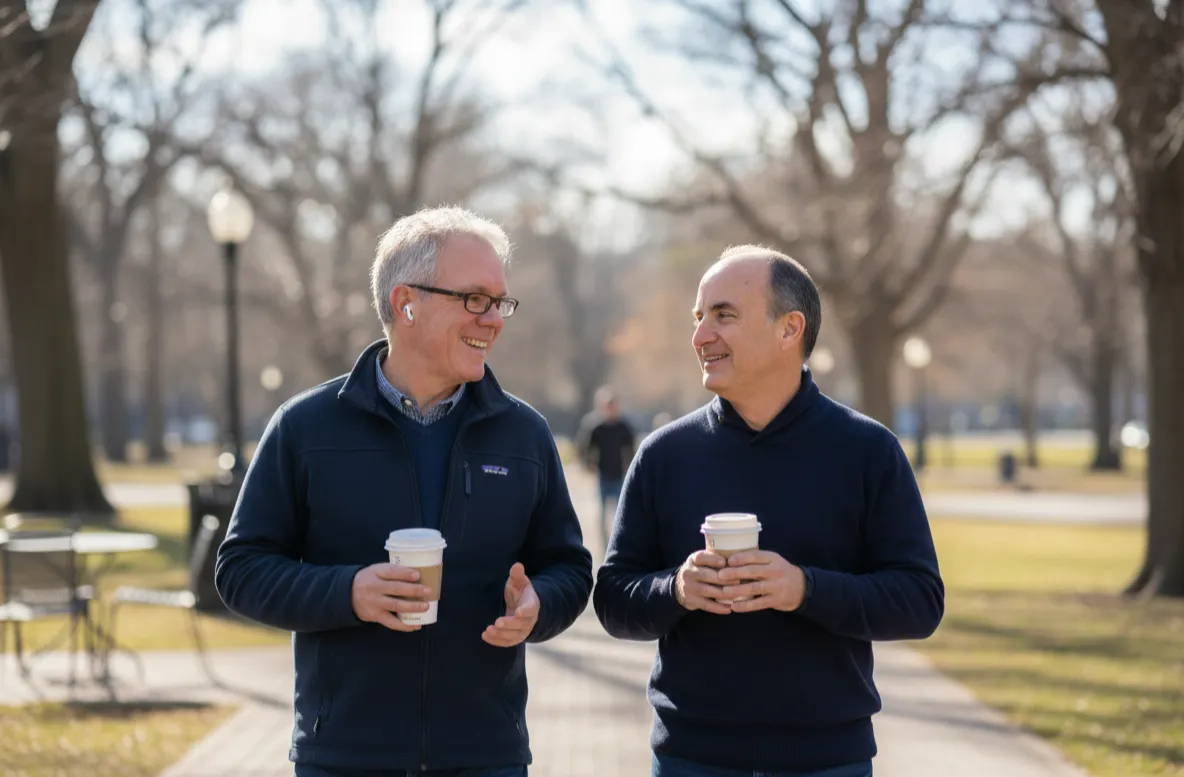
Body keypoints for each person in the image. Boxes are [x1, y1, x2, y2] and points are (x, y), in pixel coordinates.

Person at [216, 206, 593, 777]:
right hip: (344, 756)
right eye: (474, 299)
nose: (493, 319)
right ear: (405, 302)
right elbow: (240, 570)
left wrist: (538, 605)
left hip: (486, 756)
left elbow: (569, 568)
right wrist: (349, 591)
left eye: (500, 302)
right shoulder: (305, 428)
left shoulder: (525, 434)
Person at [592, 245, 944, 777]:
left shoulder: (868, 451)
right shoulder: (664, 455)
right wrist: (678, 590)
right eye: (699, 317)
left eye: (724, 315)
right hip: (691, 760)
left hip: (829, 761)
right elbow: (614, 600)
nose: (701, 335)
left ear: (789, 329)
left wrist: (803, 588)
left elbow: (920, 602)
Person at [576, 387, 636, 548]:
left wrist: (630, 469)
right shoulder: (597, 428)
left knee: (620, 514)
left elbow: (631, 450)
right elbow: (584, 448)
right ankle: (604, 545)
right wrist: (588, 465)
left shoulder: (623, 427)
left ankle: (618, 544)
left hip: (620, 476)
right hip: (603, 475)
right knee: (602, 515)